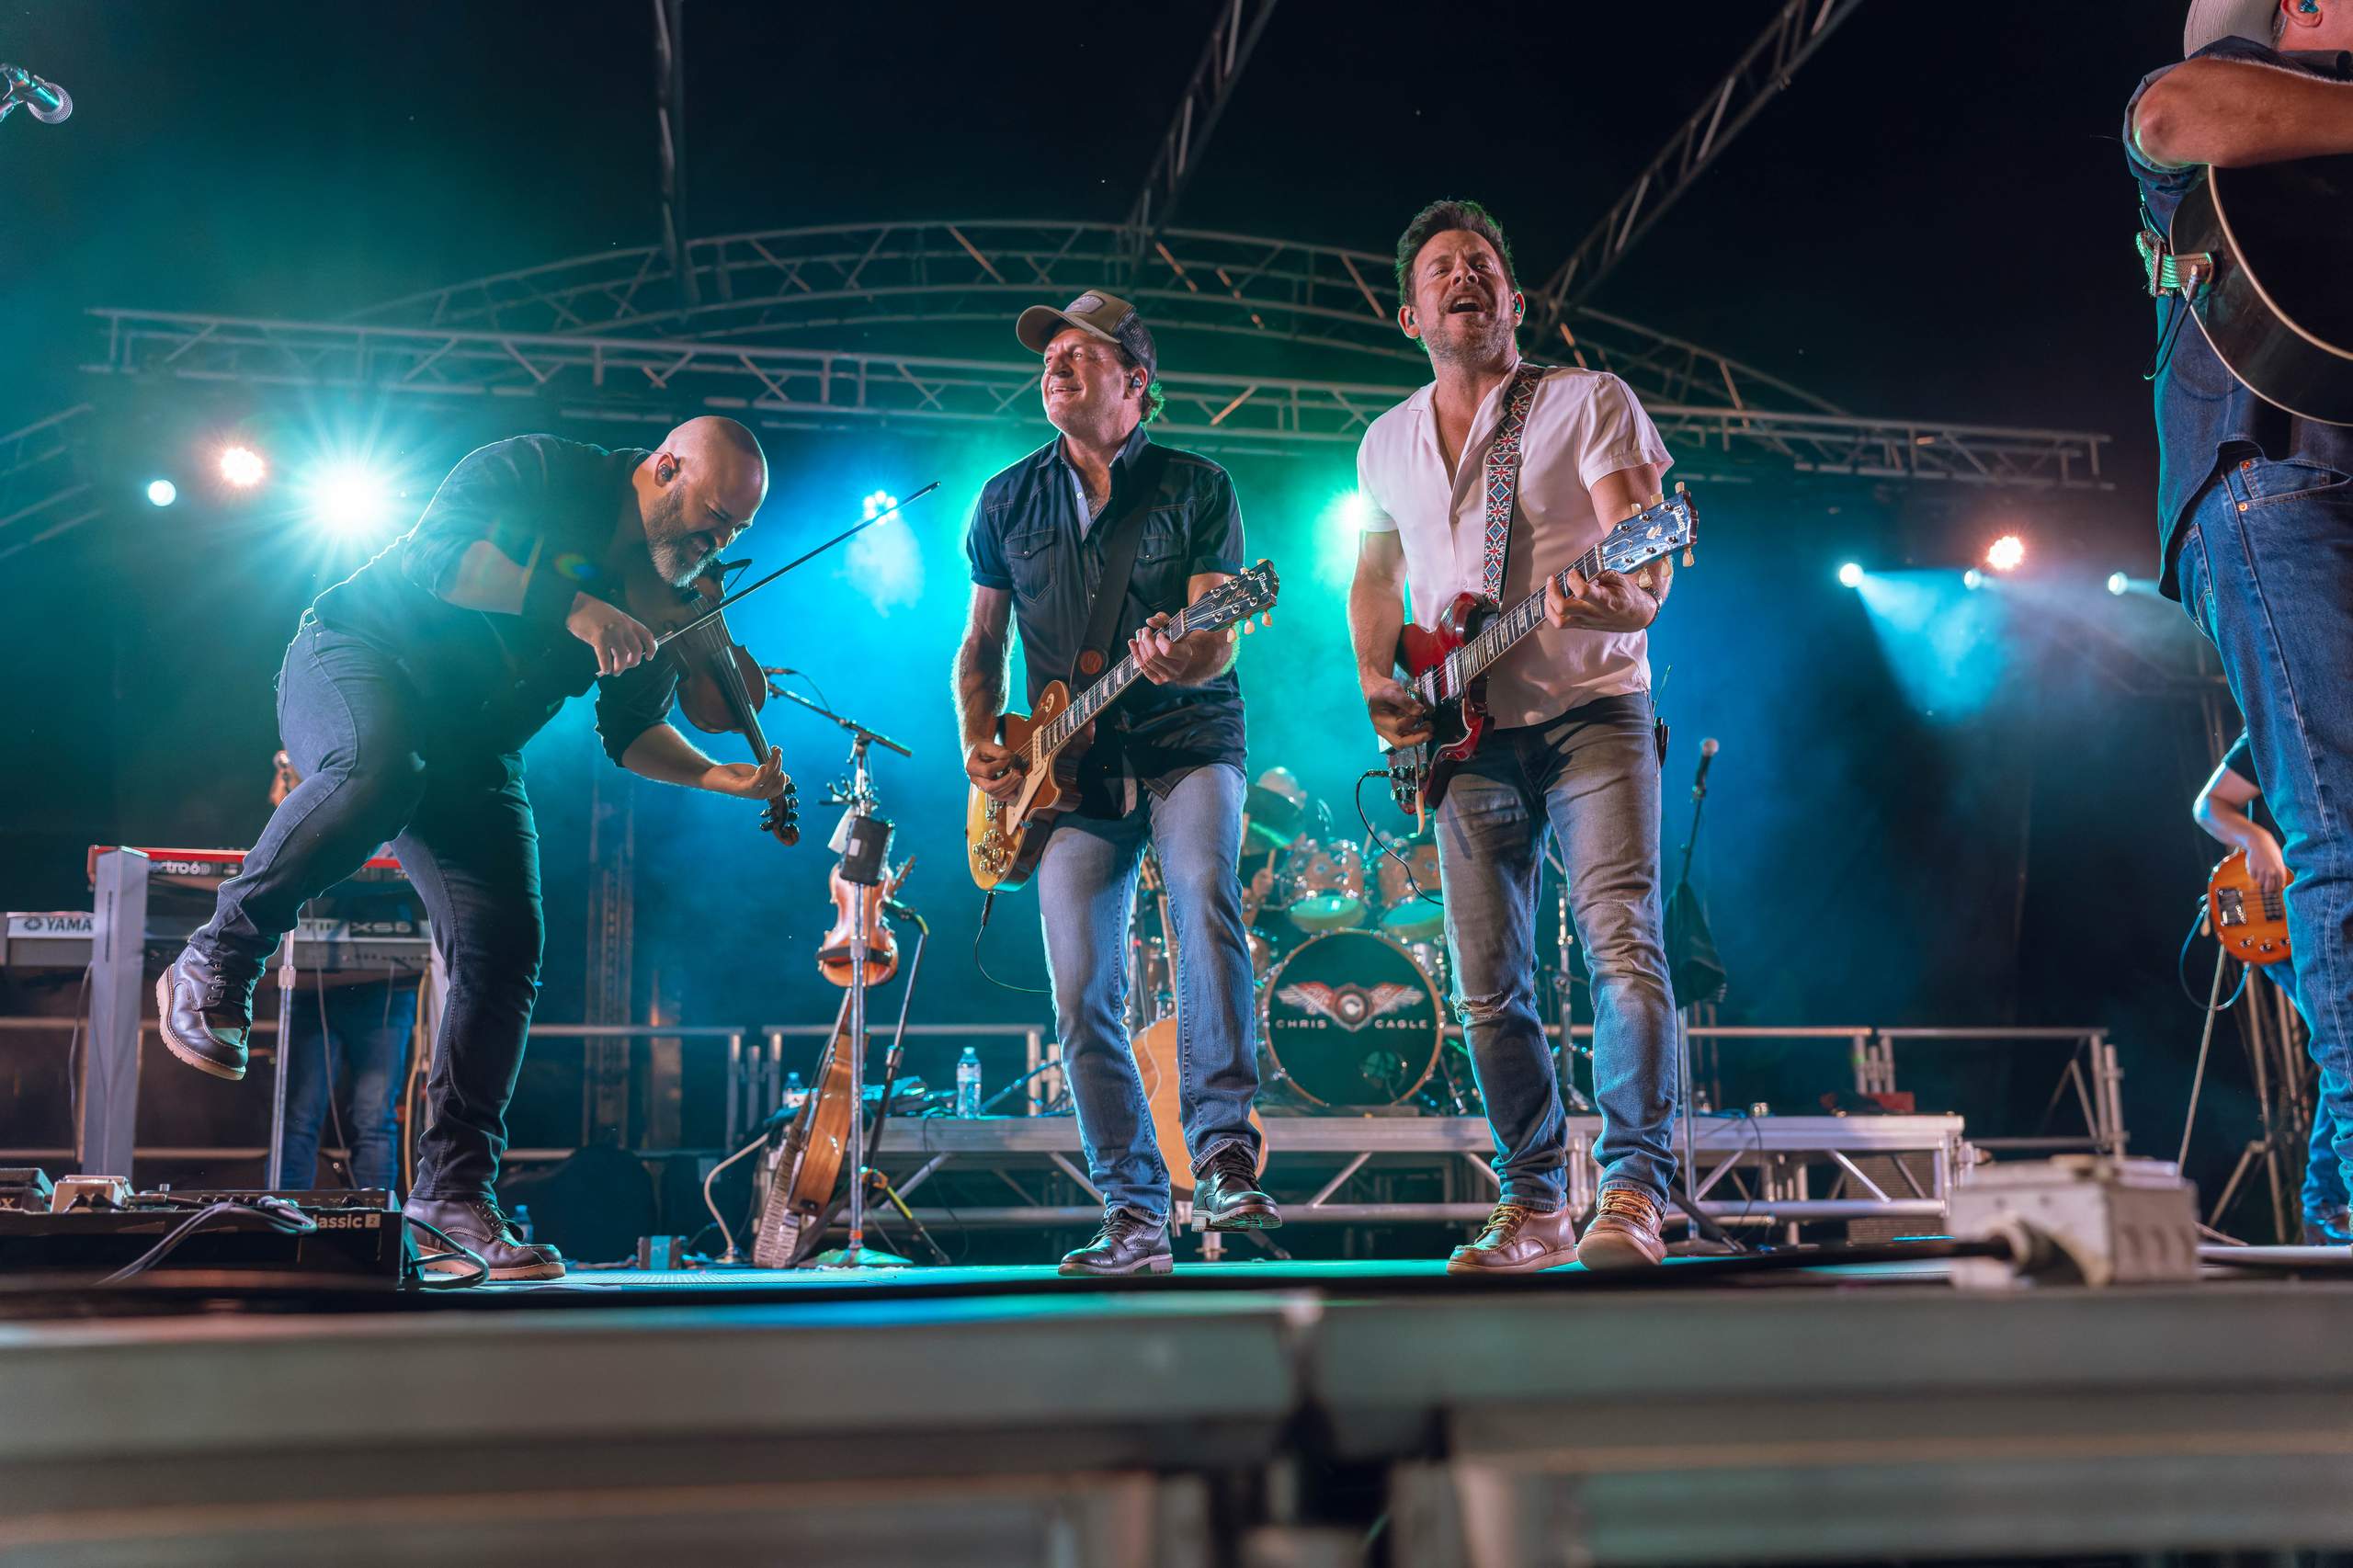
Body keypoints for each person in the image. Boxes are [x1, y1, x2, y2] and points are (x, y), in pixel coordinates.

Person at [156, 419, 787, 1280]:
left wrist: (722, 777)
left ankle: (449, 1197)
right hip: (357, 654)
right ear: (665, 468)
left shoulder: (664, 591)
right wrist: (572, 604)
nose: (717, 545)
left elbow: (634, 731)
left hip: (472, 746)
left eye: (736, 534)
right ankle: (215, 957)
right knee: (378, 770)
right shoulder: (538, 469)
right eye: (713, 519)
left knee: (505, 946)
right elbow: (435, 554)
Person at [1347, 199, 1678, 1273]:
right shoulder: (1383, 440)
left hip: (1593, 713)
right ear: (1410, 314)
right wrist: (1372, 678)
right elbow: (1376, 574)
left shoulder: (1588, 400)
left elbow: (1650, 568)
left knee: (1620, 946)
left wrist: (1611, 598)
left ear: (1514, 298)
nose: (1463, 276)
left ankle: (1631, 1190)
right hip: (1463, 735)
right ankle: (1533, 1201)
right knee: (1488, 984)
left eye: (1482, 262)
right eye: (1441, 266)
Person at [954, 289, 1276, 1277]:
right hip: (1065, 775)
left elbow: (1212, 633)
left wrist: (1182, 653)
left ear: (1133, 380)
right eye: (1047, 351)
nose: (1053, 362)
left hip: (1184, 738)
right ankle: (1133, 1210)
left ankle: (1221, 1151)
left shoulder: (1194, 483)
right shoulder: (1006, 498)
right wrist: (981, 739)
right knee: (1081, 988)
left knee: (1201, 900)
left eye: (1079, 352)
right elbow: (980, 643)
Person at [2130, 0, 2353, 1249]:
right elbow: (2171, 112)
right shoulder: (2225, 99)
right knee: (2344, 829)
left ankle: (2338, 1187)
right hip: (2271, 472)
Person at [2193, 732, 2348, 1244]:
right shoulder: (2288, 717)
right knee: (2346, 1046)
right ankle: (2326, 1204)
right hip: (2285, 922)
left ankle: (2325, 1203)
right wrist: (2257, 840)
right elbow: (2210, 805)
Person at [264, 751, 418, 1192]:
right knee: (300, 1114)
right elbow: (287, 825)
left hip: (385, 988)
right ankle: (284, 1218)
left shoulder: (395, 791)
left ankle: (376, 1227)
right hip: (318, 986)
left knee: (374, 1117)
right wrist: (289, 775)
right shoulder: (323, 792)